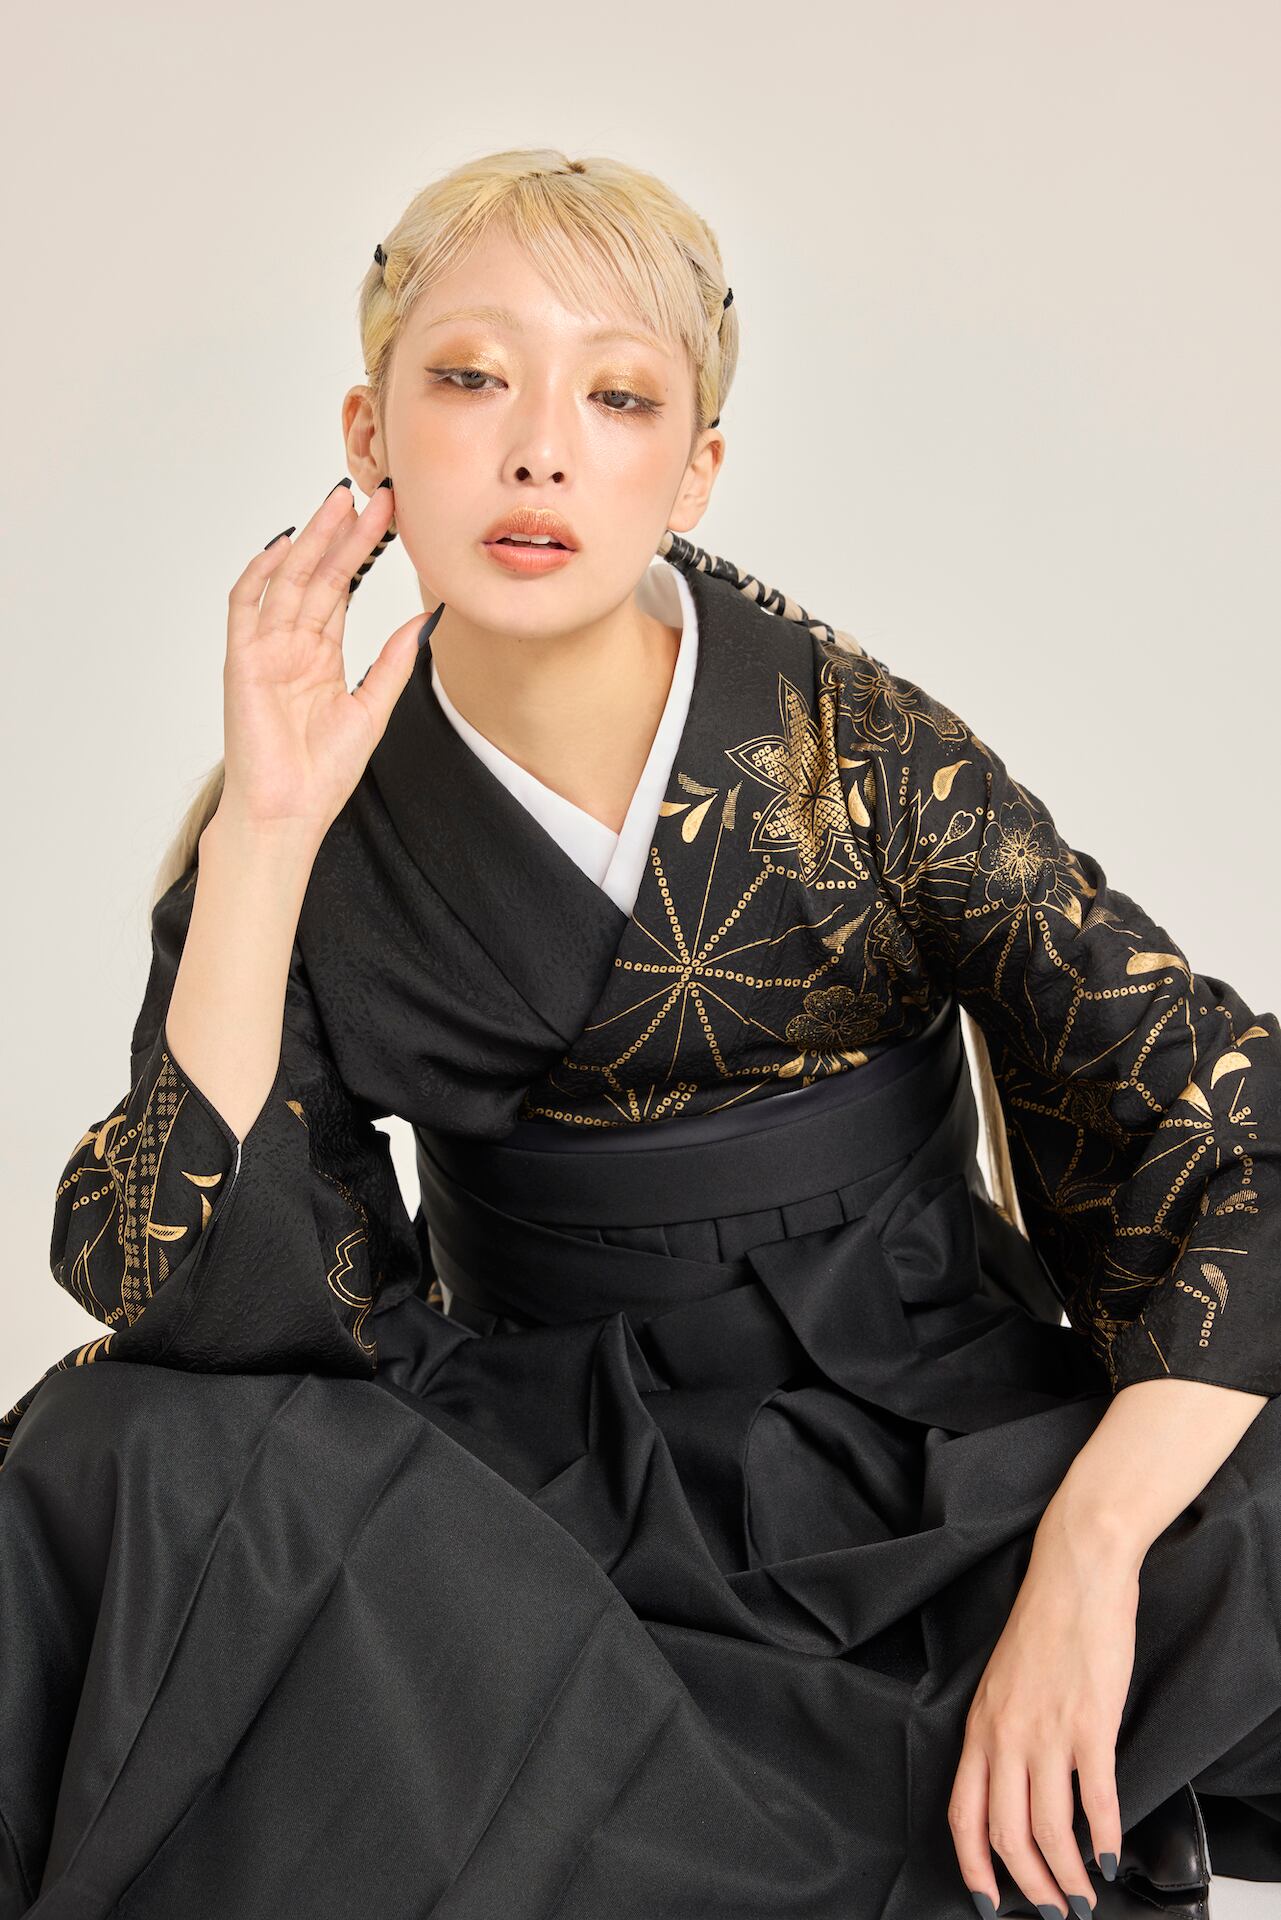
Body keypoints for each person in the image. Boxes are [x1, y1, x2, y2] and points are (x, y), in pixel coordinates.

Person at [2, 147, 1279, 1920]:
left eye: (615, 396)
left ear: (694, 471)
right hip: (562, 1483)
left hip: (933, 1443)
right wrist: (267, 838)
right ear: (370, 433)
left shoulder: (850, 749)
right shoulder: (319, 819)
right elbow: (199, 1290)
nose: (539, 449)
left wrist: (1090, 1555)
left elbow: (1219, 1123)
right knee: (111, 1454)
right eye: (471, 378)